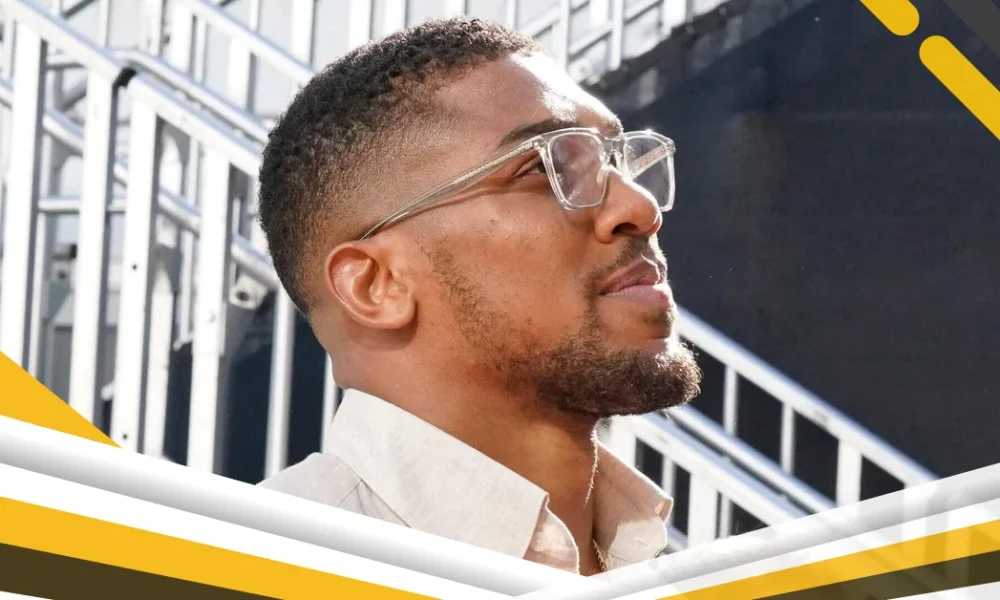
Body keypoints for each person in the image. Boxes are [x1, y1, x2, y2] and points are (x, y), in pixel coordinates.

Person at [255, 16, 702, 576]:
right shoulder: (257, 570)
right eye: (545, 167)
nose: (639, 208)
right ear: (377, 285)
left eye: (615, 160)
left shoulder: (691, 576)